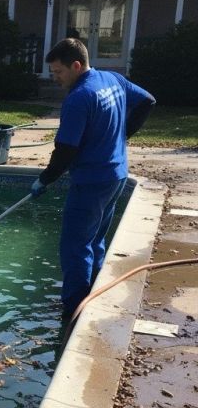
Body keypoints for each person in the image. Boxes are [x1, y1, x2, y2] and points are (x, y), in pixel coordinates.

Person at [31, 37, 155, 322]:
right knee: (96, 239)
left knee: (75, 246)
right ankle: (94, 292)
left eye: (59, 72)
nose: (57, 78)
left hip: (91, 181)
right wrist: (122, 135)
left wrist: (45, 180)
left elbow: (65, 150)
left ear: (76, 66)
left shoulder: (78, 98)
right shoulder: (113, 79)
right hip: (116, 175)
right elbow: (148, 100)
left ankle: (73, 308)